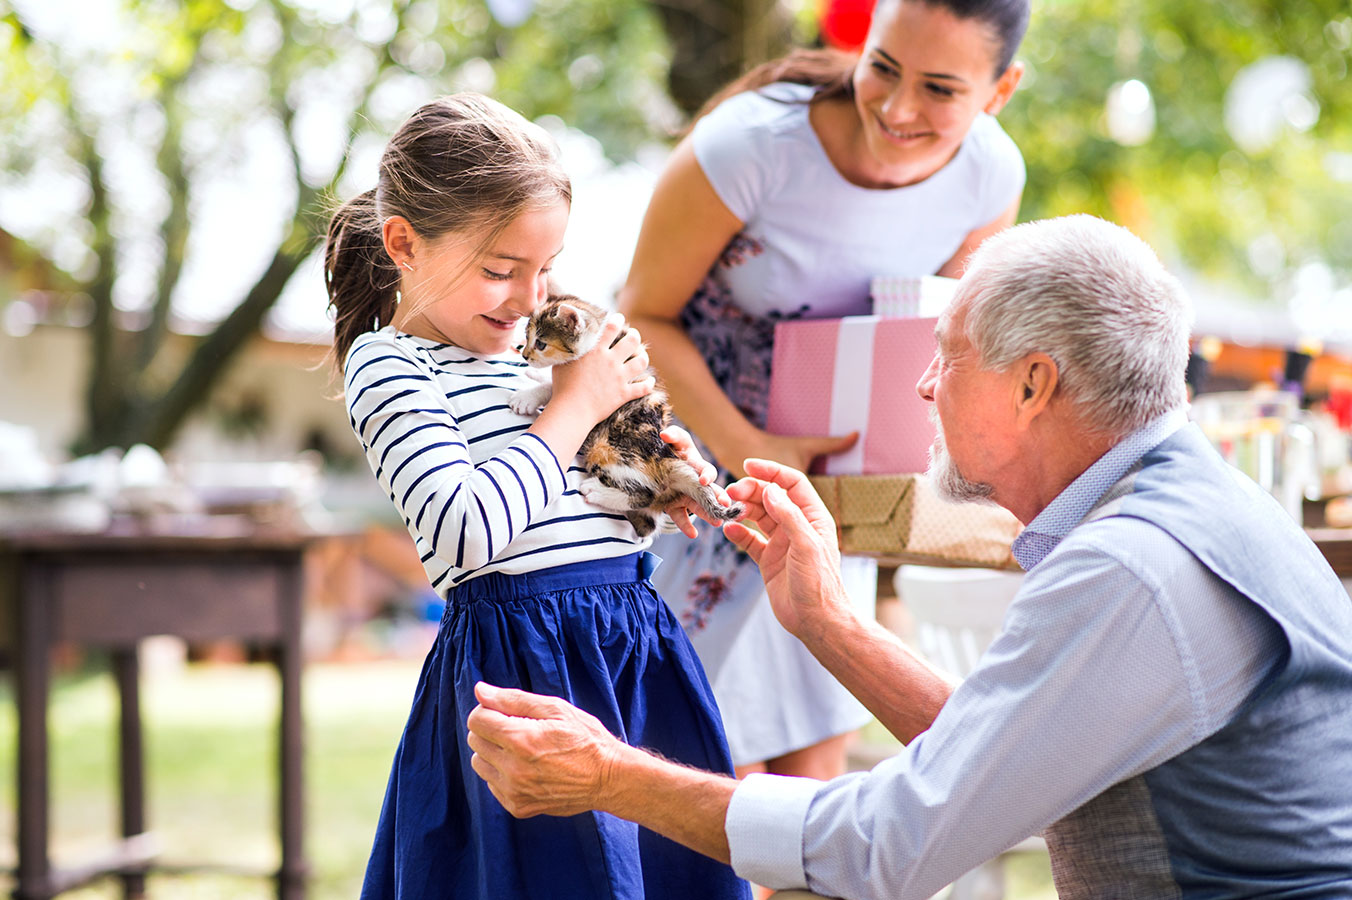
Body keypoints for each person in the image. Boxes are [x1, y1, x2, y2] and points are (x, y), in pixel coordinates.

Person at [466, 215, 1352, 898]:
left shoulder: (1136, 568)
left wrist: (610, 774)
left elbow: (891, 846)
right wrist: (827, 622)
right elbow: (1002, 761)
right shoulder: (1190, 505)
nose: (925, 386)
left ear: (1034, 383)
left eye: (946, 356)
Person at [324, 92, 749, 900]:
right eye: (499, 270)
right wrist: (576, 405)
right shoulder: (392, 368)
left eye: (545, 268)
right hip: (524, 674)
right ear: (403, 243)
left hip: (631, 651)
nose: (528, 297)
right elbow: (466, 532)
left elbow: (579, 506)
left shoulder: (537, 361)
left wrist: (655, 484)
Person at [618, 0, 1029, 784]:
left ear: (1000, 89)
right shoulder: (752, 143)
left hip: (837, 490)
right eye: (882, 66)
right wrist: (752, 453)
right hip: (700, 471)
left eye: (941, 89)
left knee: (812, 768)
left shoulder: (990, 174)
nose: (899, 108)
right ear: (859, 42)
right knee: (693, 755)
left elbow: (945, 346)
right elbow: (642, 313)